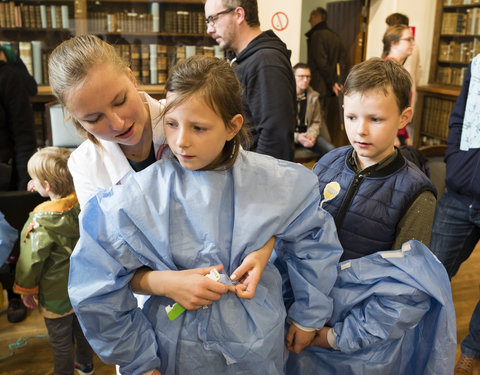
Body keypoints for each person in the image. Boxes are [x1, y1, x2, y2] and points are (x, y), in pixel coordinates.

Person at [68, 55, 343, 375]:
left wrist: (309, 314)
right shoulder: (138, 196)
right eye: (171, 124)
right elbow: (96, 283)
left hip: (258, 342)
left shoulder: (275, 181)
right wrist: (138, 360)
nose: (181, 141)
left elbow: (313, 240)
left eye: (199, 128)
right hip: (175, 345)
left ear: (232, 126)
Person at [48, 34, 270, 306]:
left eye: (119, 101)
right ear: (74, 119)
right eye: (93, 119)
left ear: (131, 79)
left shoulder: (186, 116)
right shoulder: (84, 164)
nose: (117, 123)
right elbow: (103, 261)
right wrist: (165, 283)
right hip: (151, 306)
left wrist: (261, 251)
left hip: (223, 284)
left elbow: (257, 202)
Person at [284, 58, 455, 375]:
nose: (359, 130)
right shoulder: (327, 164)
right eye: (351, 116)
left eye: (375, 119)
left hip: (357, 343)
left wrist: (334, 337)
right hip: (305, 319)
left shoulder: (416, 194)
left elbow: (407, 291)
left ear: (404, 117)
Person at [13, 147, 94, 375]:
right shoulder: (84, 202)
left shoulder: (39, 223)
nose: (32, 183)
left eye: (35, 181)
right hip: (84, 285)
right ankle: (86, 365)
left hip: (56, 294)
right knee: (83, 330)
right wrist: (39, 185)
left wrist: (26, 290)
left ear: (47, 186)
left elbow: (30, 262)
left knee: (60, 341)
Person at [429, 55, 480, 375]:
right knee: (429, 272)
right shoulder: (477, 65)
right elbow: (459, 116)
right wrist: (455, 159)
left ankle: (472, 350)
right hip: (460, 192)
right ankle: (417, 337)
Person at [204, 0, 296, 161]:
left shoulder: (266, 62)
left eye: (213, 19)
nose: (209, 29)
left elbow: (275, 137)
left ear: (239, 15)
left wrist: (257, 182)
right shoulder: (241, 60)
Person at [0, 43, 38, 325]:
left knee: (9, 240)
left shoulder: (8, 76)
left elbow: (24, 135)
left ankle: (13, 293)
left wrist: (26, 182)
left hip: (6, 177)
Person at [305, 7, 348, 144]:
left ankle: (326, 151)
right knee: (322, 118)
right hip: (329, 88)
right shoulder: (335, 36)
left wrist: (332, 82)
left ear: (317, 17)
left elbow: (321, 63)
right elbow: (342, 63)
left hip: (319, 85)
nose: (309, 20)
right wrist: (337, 82)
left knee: (317, 120)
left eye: (311, 17)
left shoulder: (317, 35)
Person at [382, 24, 416, 147]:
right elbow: (385, 106)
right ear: (394, 43)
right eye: (408, 39)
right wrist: (393, 136)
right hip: (390, 135)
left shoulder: (397, 68)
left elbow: (401, 106)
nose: (413, 43)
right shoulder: (387, 69)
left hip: (399, 132)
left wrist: (405, 136)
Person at [293, 62, 334, 158]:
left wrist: (312, 136)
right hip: (290, 136)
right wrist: (297, 137)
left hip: (308, 134)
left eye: (308, 77)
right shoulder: (284, 96)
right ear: (293, 77)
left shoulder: (314, 97)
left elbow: (316, 121)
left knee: (331, 151)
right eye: (301, 76)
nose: (305, 80)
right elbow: (280, 126)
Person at [385, 13, 421, 114]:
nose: (412, 43)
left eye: (388, 29)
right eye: (409, 40)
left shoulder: (411, 49)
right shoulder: (387, 66)